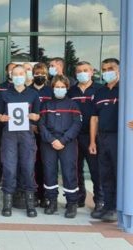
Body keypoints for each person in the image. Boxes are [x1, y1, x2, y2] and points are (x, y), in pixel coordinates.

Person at [0, 65, 40, 217]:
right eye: (15, 74)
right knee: (9, 168)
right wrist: (2, 117)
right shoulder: (5, 94)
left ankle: (30, 204)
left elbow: (38, 115)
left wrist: (35, 117)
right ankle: (7, 203)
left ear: (26, 75)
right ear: (11, 75)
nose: (18, 76)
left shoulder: (33, 94)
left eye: (21, 73)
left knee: (28, 168)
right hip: (9, 135)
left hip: (27, 135)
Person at [39, 75, 82, 218]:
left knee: (69, 173)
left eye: (62, 87)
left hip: (67, 144)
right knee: (49, 172)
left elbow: (77, 125)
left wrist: (63, 140)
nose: (59, 89)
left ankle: (71, 203)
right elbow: (41, 125)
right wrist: (52, 140)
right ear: (52, 88)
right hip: (49, 143)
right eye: (57, 86)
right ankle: (52, 201)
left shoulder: (73, 105)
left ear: (67, 88)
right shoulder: (46, 105)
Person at [68, 61, 104, 217]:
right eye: (79, 71)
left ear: (92, 72)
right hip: (74, 135)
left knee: (96, 170)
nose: (82, 73)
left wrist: (94, 139)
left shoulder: (99, 90)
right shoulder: (71, 91)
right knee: (76, 169)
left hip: (92, 136)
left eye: (85, 70)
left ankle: (100, 201)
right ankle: (79, 197)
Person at [89, 58, 120, 222]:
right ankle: (107, 207)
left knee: (117, 173)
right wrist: (93, 141)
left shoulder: (126, 89)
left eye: (111, 68)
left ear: (118, 70)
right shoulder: (100, 92)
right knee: (105, 174)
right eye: (104, 69)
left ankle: (117, 208)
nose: (107, 71)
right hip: (102, 137)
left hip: (119, 138)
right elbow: (94, 118)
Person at [30, 62, 53, 207]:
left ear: (46, 75)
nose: (39, 76)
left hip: (47, 132)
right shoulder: (28, 91)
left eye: (42, 74)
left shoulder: (51, 91)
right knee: (33, 164)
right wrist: (32, 125)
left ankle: (46, 195)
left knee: (47, 164)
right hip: (31, 132)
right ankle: (35, 193)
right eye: (37, 73)